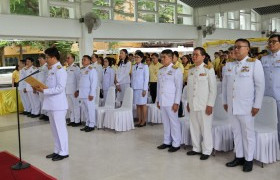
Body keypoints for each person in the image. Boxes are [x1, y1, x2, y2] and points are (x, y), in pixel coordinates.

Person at [223, 39, 265, 172]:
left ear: (247, 49)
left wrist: (257, 104)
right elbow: (225, 86)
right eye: (234, 47)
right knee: (236, 132)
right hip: (232, 106)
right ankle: (239, 156)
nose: (236, 49)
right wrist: (225, 102)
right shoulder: (229, 65)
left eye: (239, 47)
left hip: (247, 106)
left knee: (248, 133)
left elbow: (260, 86)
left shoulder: (254, 64)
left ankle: (248, 159)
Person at [35, 47, 69, 161]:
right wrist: (41, 87)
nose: (46, 59)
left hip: (58, 105)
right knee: (54, 129)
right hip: (51, 104)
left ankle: (64, 152)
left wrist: (44, 91)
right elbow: (50, 86)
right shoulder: (51, 70)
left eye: (47, 57)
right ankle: (57, 150)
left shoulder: (60, 70)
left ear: (53, 58)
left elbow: (60, 88)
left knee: (60, 129)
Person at [186, 47, 217, 160]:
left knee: (205, 128)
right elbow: (189, 89)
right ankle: (196, 148)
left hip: (204, 105)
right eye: (193, 55)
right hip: (193, 103)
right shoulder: (191, 70)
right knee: (194, 127)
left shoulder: (208, 69)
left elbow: (213, 89)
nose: (194, 57)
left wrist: (210, 104)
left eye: (196, 55)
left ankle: (207, 150)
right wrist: (188, 103)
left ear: (203, 57)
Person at [156, 49, 183, 153]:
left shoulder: (176, 70)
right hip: (163, 100)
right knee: (166, 122)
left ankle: (176, 143)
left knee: (174, 122)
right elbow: (159, 87)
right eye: (161, 57)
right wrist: (158, 100)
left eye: (164, 57)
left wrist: (177, 102)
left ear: (171, 58)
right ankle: (167, 141)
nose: (162, 59)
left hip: (172, 101)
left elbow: (178, 88)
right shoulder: (161, 70)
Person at [261, 34, 280, 143]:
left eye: (274, 41)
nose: (271, 44)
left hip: (279, 95)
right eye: (269, 42)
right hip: (267, 96)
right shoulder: (264, 59)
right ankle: (272, 144)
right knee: (269, 121)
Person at [76, 55, 98, 132]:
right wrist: (78, 91)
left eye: (84, 60)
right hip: (82, 93)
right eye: (82, 60)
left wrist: (92, 93)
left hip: (89, 94)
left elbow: (93, 83)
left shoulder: (92, 70)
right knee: (85, 110)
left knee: (90, 109)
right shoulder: (82, 70)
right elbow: (81, 82)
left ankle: (92, 125)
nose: (82, 61)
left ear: (89, 61)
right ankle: (87, 124)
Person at [131, 51, 149, 127]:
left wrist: (145, 89)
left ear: (141, 58)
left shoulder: (145, 66)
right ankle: (139, 120)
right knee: (138, 105)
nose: (136, 58)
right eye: (135, 57)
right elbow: (132, 78)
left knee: (143, 105)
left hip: (142, 89)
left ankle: (144, 121)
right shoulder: (134, 66)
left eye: (138, 57)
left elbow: (146, 78)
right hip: (135, 88)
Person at [66, 53, 81, 127]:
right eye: (67, 58)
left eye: (68, 58)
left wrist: (78, 90)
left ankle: (77, 121)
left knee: (76, 106)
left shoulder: (76, 68)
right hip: (68, 91)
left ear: (73, 59)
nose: (67, 59)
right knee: (70, 106)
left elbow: (78, 80)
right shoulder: (67, 68)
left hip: (74, 90)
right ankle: (72, 120)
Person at [37, 54, 49, 121]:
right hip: (40, 87)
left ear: (45, 59)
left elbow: (47, 78)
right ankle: (44, 113)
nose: (39, 60)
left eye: (40, 58)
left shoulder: (47, 67)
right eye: (39, 58)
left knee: (45, 101)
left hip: (44, 87)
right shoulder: (41, 67)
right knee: (42, 101)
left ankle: (47, 115)